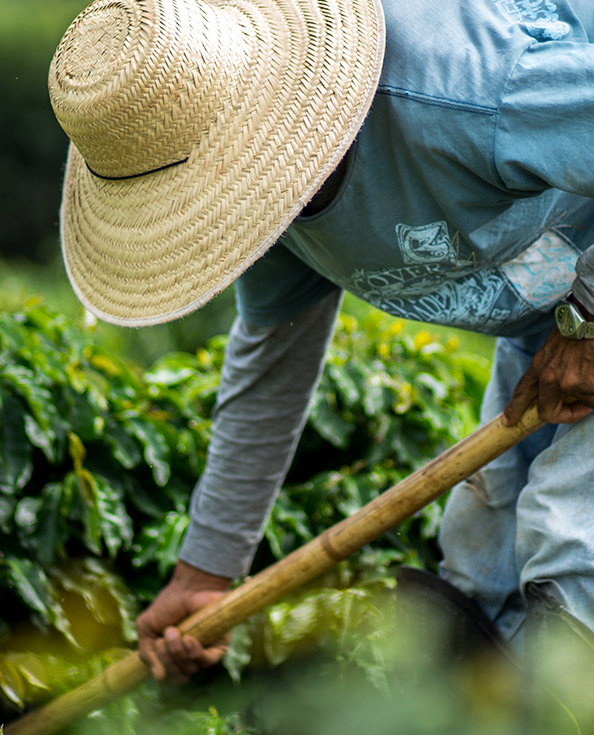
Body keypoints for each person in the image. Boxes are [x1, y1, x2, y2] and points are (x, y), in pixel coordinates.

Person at [48, 0, 594, 684]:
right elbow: (272, 363)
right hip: (547, 326)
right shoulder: (259, 203)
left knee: (570, 549)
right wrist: (205, 569)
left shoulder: (461, 90)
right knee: (479, 569)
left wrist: (587, 321)